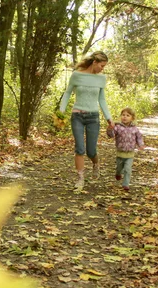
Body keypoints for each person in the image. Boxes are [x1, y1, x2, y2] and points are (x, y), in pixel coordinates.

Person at [59, 51, 113, 190]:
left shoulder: (101, 79)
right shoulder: (77, 75)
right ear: (94, 62)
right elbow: (67, 93)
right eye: (102, 65)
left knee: (91, 151)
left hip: (93, 117)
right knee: (79, 149)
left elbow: (102, 99)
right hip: (77, 116)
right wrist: (61, 111)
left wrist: (109, 118)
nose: (103, 68)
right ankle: (80, 179)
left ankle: (96, 164)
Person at [106, 107, 145, 191]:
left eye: (128, 115)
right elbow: (111, 135)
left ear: (132, 118)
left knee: (128, 169)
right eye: (123, 115)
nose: (125, 117)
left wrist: (141, 145)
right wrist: (110, 128)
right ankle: (118, 173)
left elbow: (139, 137)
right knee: (119, 168)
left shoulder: (135, 129)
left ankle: (126, 184)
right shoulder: (118, 127)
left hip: (130, 153)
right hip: (120, 152)